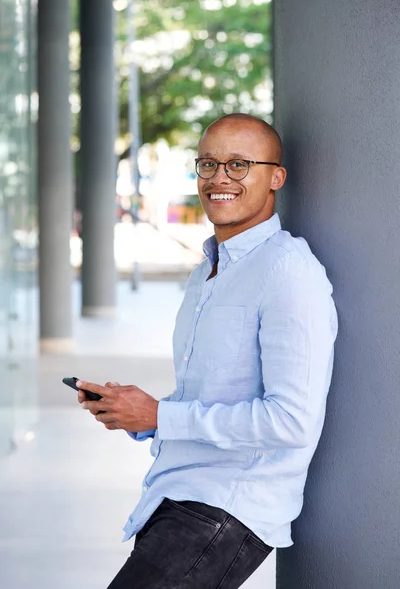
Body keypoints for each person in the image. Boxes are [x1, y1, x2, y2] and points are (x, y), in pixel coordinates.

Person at [77, 113, 338, 589]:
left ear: (275, 177)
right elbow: (215, 394)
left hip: (226, 507)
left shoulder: (288, 272)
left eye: (239, 164)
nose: (219, 178)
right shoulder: (210, 270)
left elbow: (291, 421)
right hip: (176, 495)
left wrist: (161, 415)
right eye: (208, 164)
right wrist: (136, 413)